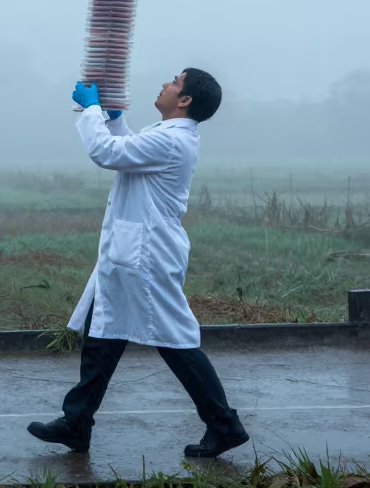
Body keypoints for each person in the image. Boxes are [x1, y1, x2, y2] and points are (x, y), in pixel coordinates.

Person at [27, 69, 250, 458]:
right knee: (101, 336)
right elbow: (130, 145)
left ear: (184, 101)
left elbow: (109, 153)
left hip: (147, 256)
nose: (165, 83)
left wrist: (92, 109)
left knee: (176, 342)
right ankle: (77, 422)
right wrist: (112, 117)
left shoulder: (172, 140)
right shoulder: (165, 135)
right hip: (128, 254)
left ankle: (224, 425)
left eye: (175, 82)